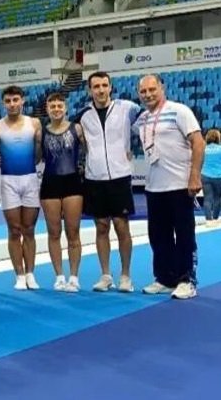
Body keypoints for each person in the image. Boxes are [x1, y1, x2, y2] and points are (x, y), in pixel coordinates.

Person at [135, 74, 205, 300]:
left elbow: (198, 142)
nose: (148, 94)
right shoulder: (143, 118)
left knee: (184, 235)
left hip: (180, 185)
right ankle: (165, 278)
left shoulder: (180, 110)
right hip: (154, 187)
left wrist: (194, 176)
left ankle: (187, 280)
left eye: (152, 89)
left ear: (162, 88)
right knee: (158, 236)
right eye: (143, 91)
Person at [76, 71, 140, 292]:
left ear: (111, 87)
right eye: (96, 86)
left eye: (104, 85)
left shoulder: (127, 108)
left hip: (120, 176)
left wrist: (131, 150)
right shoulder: (83, 115)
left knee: (122, 227)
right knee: (101, 227)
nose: (101, 90)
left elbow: (148, 123)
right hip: (95, 178)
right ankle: (105, 275)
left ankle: (125, 276)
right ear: (89, 90)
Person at [0, 85, 42, 291]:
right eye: (8, 101)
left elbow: (39, 153)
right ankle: (19, 275)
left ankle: (30, 273)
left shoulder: (34, 123)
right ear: (3, 103)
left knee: (29, 229)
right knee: (14, 230)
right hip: (8, 181)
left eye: (16, 100)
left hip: (30, 178)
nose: (12, 104)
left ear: (23, 101)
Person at [39, 93, 84, 292]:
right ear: (47, 110)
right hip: (50, 183)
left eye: (59, 105)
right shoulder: (41, 133)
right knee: (54, 232)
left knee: (73, 232)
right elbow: (36, 157)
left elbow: (91, 151)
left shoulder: (77, 128)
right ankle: (59, 276)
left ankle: (74, 276)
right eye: (52, 106)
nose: (56, 109)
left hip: (72, 182)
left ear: (66, 108)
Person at [202, 129, 221, 227]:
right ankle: (216, 218)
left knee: (207, 198)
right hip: (218, 176)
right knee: (218, 198)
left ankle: (208, 220)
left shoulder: (203, 149)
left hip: (205, 175)